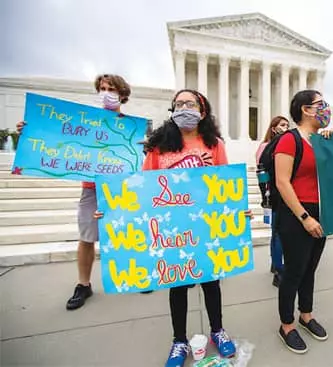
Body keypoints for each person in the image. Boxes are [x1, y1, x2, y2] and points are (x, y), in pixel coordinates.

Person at [97, 89, 253, 366]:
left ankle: (218, 330)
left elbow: (226, 184)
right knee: (177, 285)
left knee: (211, 280)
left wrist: (238, 209)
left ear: (201, 110)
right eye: (178, 103)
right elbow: (142, 188)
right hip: (173, 231)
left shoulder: (214, 144)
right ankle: (179, 341)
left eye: (189, 103)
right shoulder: (159, 146)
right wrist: (112, 209)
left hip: (206, 228)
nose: (183, 107)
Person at [15, 74, 149, 310]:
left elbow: (143, 159)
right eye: (102, 88)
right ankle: (83, 284)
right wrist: (30, 130)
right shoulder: (84, 121)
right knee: (87, 236)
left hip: (122, 188)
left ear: (123, 95)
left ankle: (134, 276)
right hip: (91, 189)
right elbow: (52, 136)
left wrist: (146, 147)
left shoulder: (132, 127)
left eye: (111, 89)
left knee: (128, 233)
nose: (105, 93)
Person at [276, 90, 332, 354]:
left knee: (310, 268)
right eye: (321, 105)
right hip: (296, 213)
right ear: (305, 110)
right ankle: (286, 324)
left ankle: (306, 315)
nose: (325, 109)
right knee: (294, 271)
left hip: (321, 212)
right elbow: (282, 182)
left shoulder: (321, 140)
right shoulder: (289, 140)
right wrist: (305, 217)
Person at [256, 116, 290, 287]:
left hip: (285, 194)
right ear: (274, 128)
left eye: (287, 125)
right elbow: (261, 172)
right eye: (282, 125)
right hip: (273, 196)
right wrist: (265, 197)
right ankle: (278, 269)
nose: (286, 128)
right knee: (277, 234)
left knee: (278, 234)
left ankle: (276, 263)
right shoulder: (266, 147)